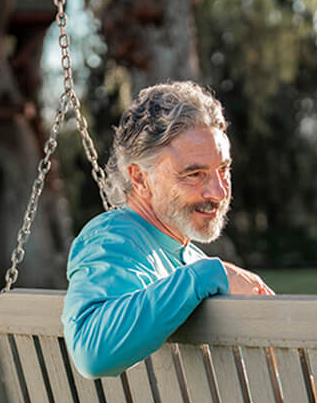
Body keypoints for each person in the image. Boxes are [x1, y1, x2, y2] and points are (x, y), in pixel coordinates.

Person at [61, 81, 272, 378]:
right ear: (139, 178)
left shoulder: (184, 257)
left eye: (223, 170)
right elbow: (92, 352)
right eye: (194, 174)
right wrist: (212, 274)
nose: (218, 192)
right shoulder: (113, 239)